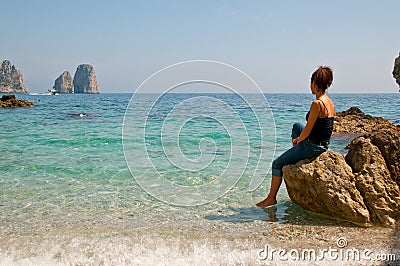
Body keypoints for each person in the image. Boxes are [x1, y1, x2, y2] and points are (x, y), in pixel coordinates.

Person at [256, 66, 335, 208]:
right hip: (323, 144)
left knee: (277, 164)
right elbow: (318, 128)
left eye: (311, 82)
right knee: (297, 126)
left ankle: (271, 198)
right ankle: (297, 153)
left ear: (314, 83)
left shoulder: (317, 104)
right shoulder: (329, 102)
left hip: (313, 146)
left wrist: (299, 140)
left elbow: (308, 130)